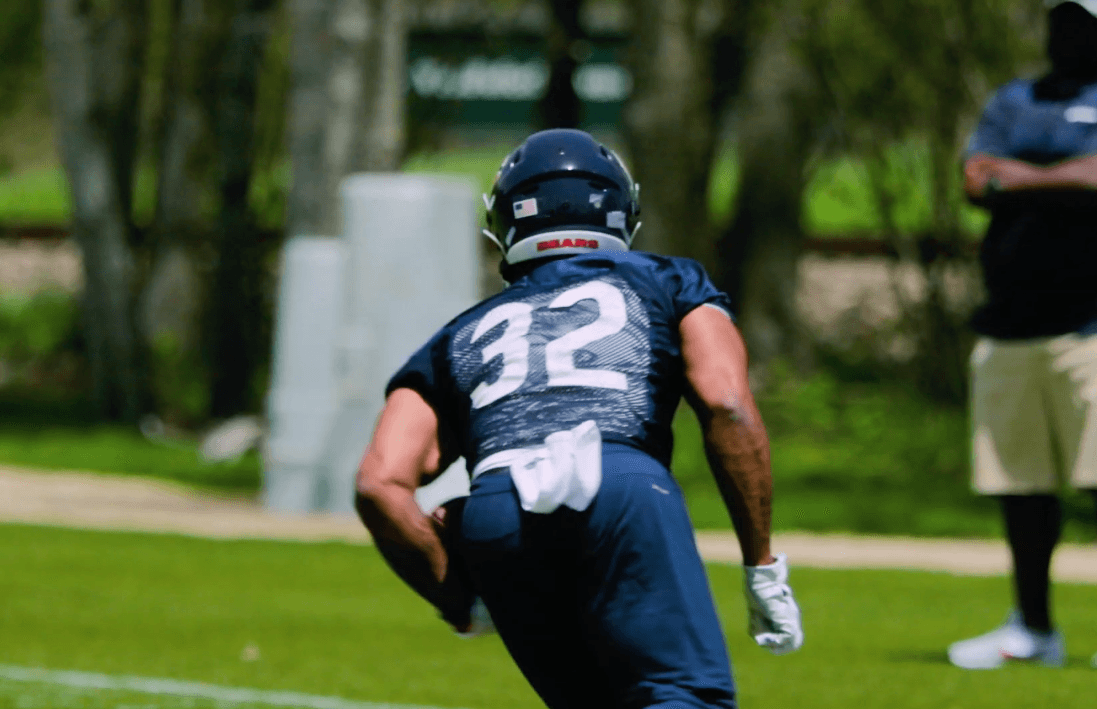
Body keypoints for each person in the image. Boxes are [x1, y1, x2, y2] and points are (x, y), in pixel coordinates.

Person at [354, 128, 803, 708]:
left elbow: (379, 482)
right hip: (620, 486)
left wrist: (459, 596)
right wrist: (761, 564)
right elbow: (726, 403)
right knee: (683, 697)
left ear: (504, 222)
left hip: (498, 505)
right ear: (621, 211)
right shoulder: (668, 280)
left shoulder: (458, 335)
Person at [947, 0, 1097, 670]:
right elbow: (976, 178)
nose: (1066, 34)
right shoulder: (1014, 100)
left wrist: (1020, 177)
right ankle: (1033, 630)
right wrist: (1065, 178)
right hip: (1009, 323)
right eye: (1060, 21)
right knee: (1021, 488)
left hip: (1089, 326)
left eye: (1081, 23)